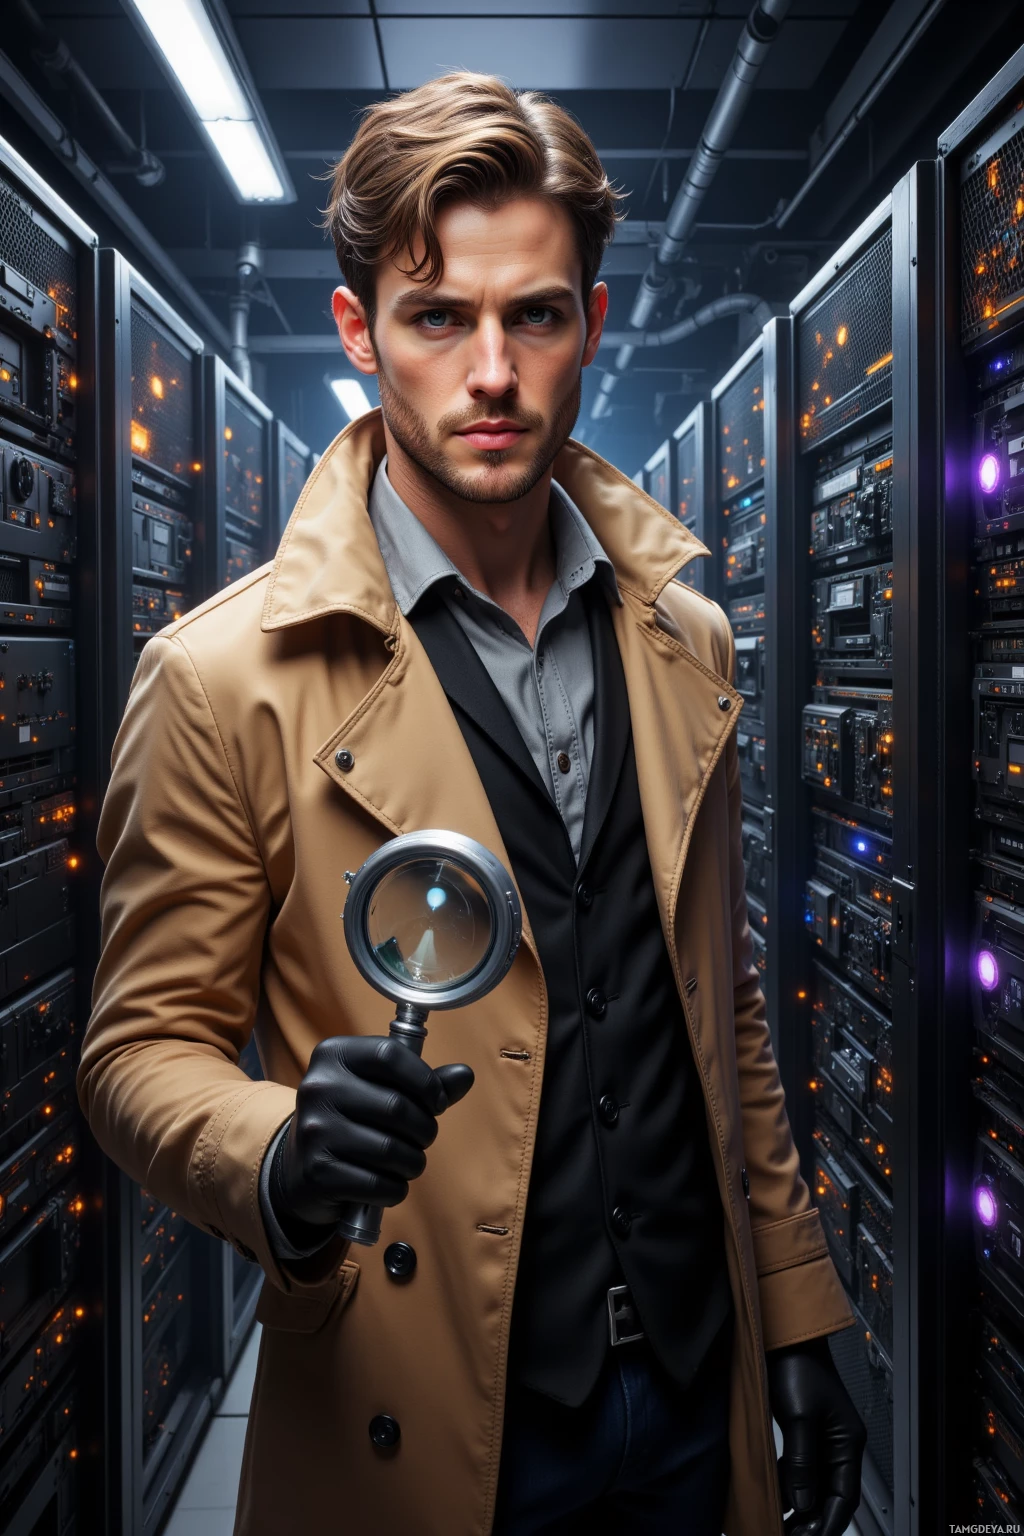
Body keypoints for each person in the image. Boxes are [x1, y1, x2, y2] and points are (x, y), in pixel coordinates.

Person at [78, 70, 865, 1536]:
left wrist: (798, 1305)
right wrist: (282, 1152)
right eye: (440, 318)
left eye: (535, 317)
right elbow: (138, 1053)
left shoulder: (683, 639)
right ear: (362, 331)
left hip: (700, 1391)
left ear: (591, 330)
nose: (491, 374)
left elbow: (720, 1013)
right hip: (439, 1411)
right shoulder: (220, 677)